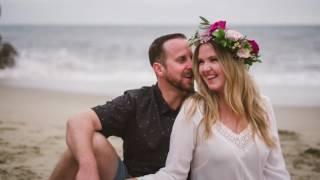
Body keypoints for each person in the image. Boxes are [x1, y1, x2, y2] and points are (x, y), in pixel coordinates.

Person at [135, 18, 290, 180]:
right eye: (201, 62)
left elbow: (276, 172)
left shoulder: (262, 105)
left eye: (213, 60)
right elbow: (174, 174)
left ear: (233, 62)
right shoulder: (193, 109)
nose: (204, 69)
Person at [49, 33, 194, 180]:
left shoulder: (202, 105)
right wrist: (88, 168)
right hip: (130, 178)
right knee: (91, 143)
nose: (192, 65)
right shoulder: (138, 101)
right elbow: (78, 121)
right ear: (159, 69)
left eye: (193, 58)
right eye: (182, 60)